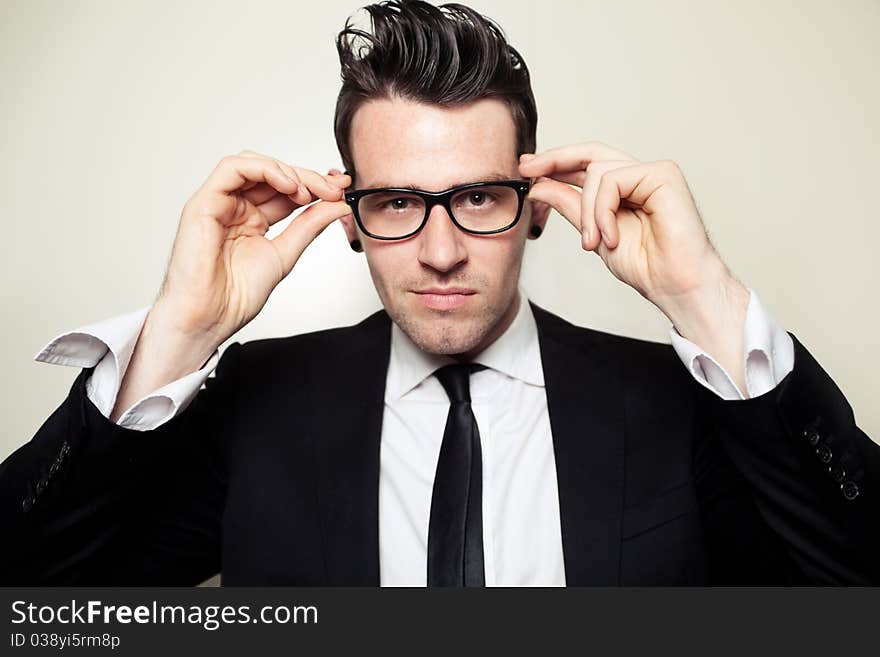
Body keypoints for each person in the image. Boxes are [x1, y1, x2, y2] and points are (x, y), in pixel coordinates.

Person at [1, 0, 877, 586]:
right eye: (396, 202)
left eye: (479, 197)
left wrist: (709, 300)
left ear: (536, 207)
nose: (442, 250)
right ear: (347, 215)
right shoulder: (256, 405)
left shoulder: (672, 402)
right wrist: (178, 334)